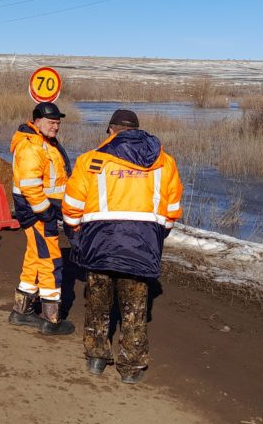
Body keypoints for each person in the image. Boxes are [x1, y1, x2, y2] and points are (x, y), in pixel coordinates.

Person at [62, 109, 183, 384]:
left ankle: (96, 358)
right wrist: (154, 237)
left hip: (98, 246)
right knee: (134, 309)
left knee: (97, 304)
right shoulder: (165, 162)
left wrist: (78, 238)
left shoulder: (90, 161)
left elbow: (71, 210)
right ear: (138, 131)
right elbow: (172, 210)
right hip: (141, 247)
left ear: (110, 130)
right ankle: (131, 369)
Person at [8, 101, 74, 335]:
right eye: (51, 122)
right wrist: (45, 211)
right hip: (36, 211)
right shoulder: (31, 146)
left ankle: (21, 310)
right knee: (50, 259)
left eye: (58, 123)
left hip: (40, 209)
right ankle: (50, 318)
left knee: (35, 258)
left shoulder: (43, 142)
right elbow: (30, 185)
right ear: (37, 121)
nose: (56, 126)